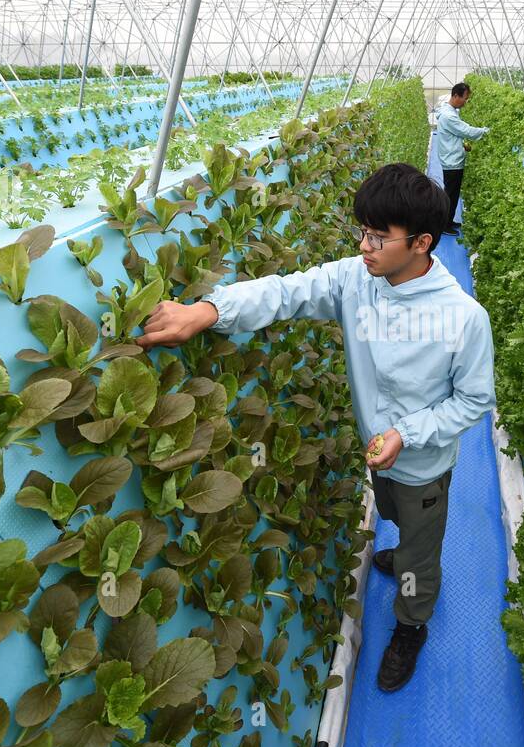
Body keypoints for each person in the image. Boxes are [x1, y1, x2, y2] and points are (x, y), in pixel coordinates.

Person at [136, 163, 497, 693]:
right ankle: (401, 550)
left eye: (379, 236)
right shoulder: (357, 280)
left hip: (422, 464)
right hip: (378, 454)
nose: (365, 245)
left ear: (422, 243)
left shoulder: (463, 317)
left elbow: (473, 399)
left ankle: (411, 624)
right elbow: (286, 291)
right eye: (363, 231)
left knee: (419, 549)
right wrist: (210, 310)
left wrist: (409, 434)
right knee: (392, 509)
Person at [435, 82, 489, 229]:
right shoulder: (449, 116)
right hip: (452, 161)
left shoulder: (449, 112)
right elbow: (467, 131)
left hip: (450, 156)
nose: (466, 102)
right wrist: (486, 131)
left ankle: (448, 221)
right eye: (465, 98)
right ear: (456, 96)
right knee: (451, 195)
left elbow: (452, 135)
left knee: (451, 193)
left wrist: (462, 145)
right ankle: (445, 225)